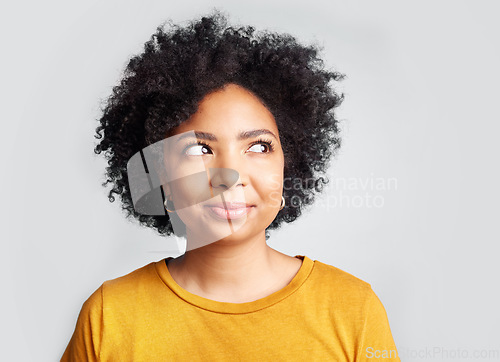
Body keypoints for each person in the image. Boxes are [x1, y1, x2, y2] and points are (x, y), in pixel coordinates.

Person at [61, 12, 400, 361]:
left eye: (258, 147)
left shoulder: (353, 308)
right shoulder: (109, 316)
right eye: (199, 149)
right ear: (160, 173)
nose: (230, 174)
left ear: (290, 163)